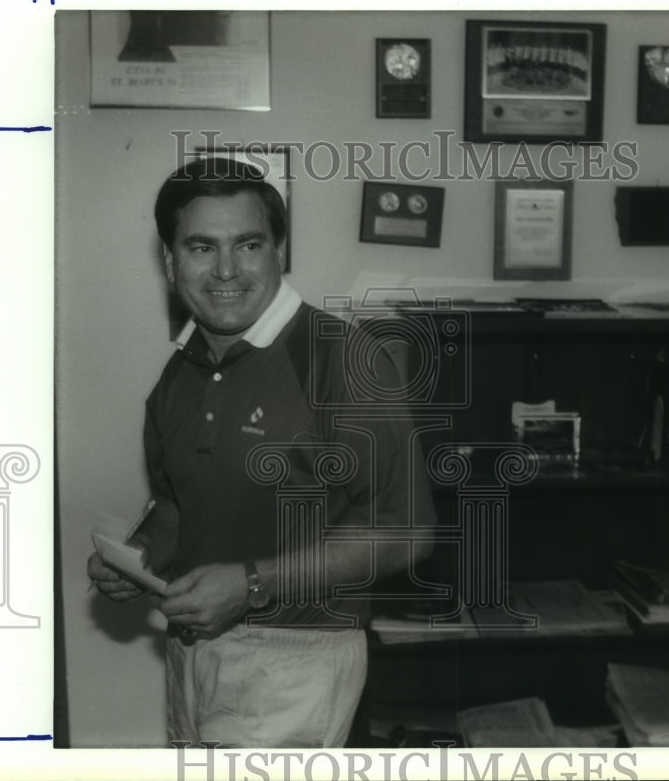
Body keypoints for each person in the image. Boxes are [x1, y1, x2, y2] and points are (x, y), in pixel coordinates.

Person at [87, 156, 435, 748]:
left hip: (298, 660)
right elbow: (177, 507)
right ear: (171, 263)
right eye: (201, 248)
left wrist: (250, 584)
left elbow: (406, 532)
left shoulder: (343, 360)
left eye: (247, 245)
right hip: (191, 650)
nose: (226, 270)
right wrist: (137, 557)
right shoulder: (179, 372)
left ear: (279, 251)